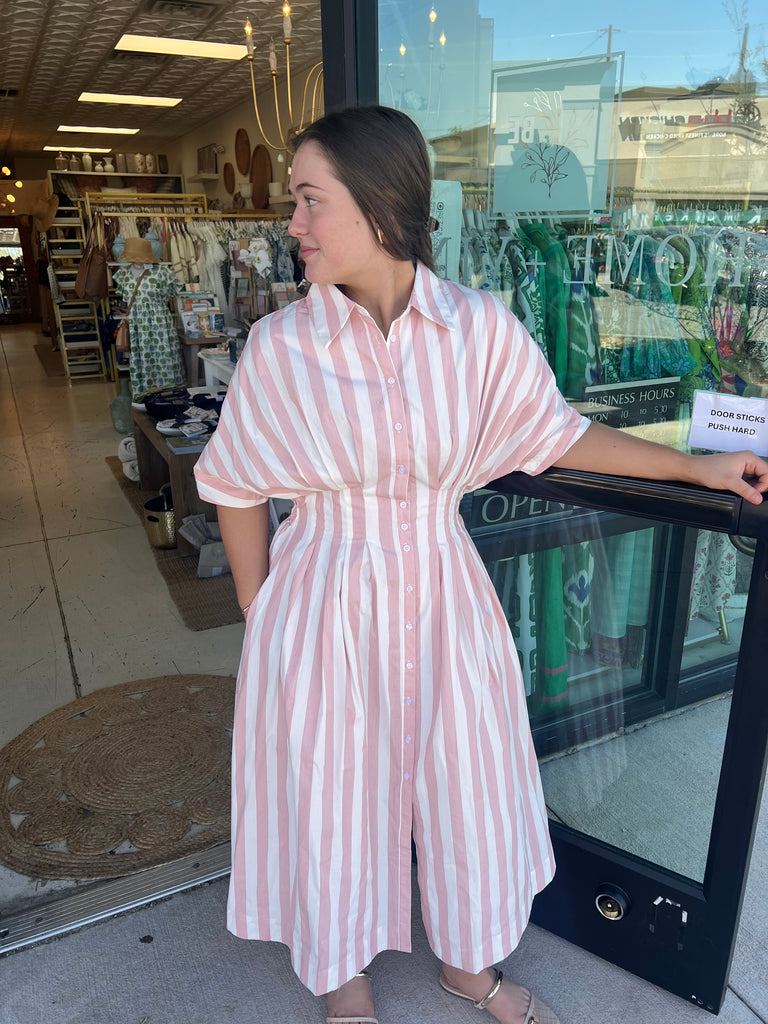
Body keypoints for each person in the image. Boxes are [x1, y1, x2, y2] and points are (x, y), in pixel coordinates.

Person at [194, 106, 768, 1024]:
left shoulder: (477, 330)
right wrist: (263, 615)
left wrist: (695, 467)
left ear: (379, 203)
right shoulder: (281, 349)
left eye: (310, 200)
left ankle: (469, 967)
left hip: (445, 593)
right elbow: (234, 482)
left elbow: (558, 435)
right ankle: (344, 979)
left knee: (469, 789)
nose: (292, 223)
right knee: (332, 795)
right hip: (321, 600)